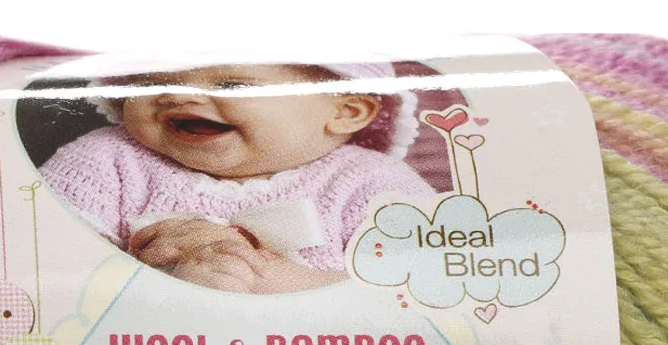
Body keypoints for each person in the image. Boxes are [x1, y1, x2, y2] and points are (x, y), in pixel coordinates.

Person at [38, 62, 435, 292]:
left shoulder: (374, 184)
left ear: (345, 112)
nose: (177, 96)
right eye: (156, 80)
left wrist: (266, 278)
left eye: (233, 83)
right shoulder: (104, 160)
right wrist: (155, 272)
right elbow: (45, 267)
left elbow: (420, 295)